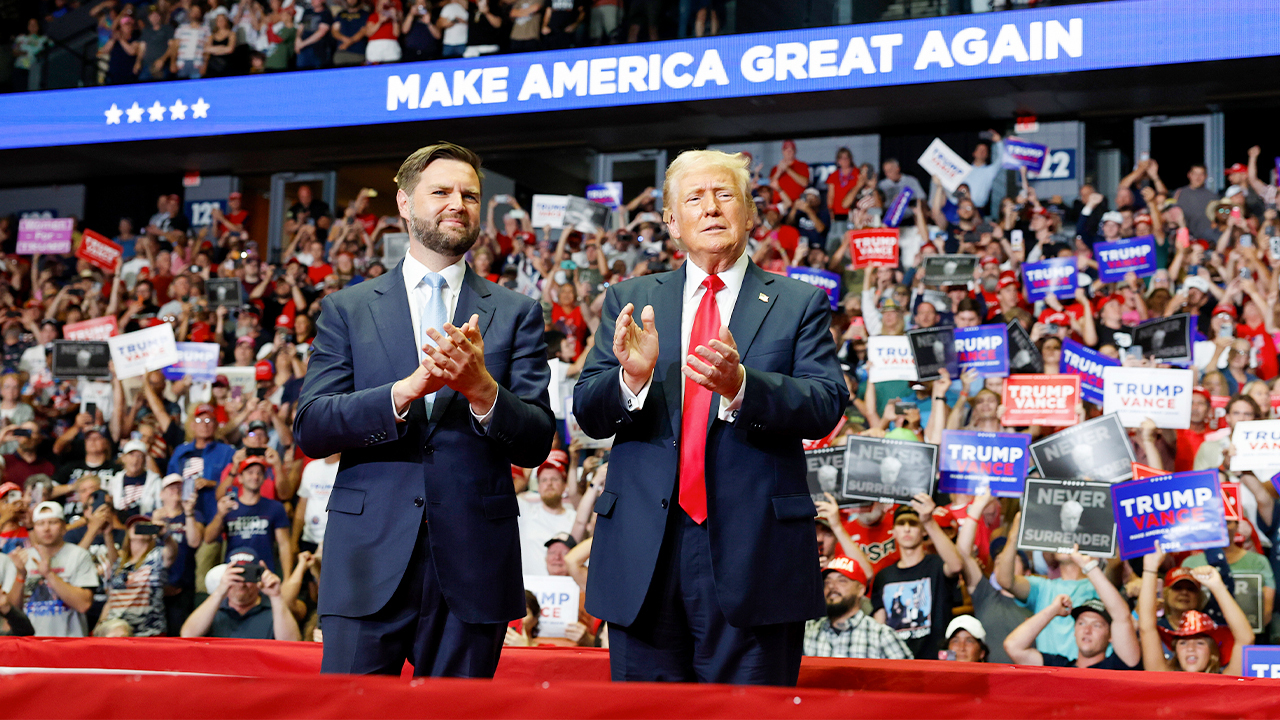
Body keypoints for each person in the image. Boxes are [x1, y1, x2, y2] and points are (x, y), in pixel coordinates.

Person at [573, 149, 846, 686]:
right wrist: (631, 379)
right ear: (672, 221)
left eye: (725, 195)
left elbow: (825, 404)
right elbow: (588, 410)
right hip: (644, 553)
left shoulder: (798, 302)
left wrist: (743, 386)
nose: (711, 207)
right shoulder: (630, 299)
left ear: (748, 214)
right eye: (694, 198)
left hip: (756, 554)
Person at [294, 142, 556, 678]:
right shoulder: (348, 308)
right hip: (366, 560)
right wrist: (406, 389)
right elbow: (312, 427)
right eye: (441, 191)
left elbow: (536, 442)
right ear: (404, 204)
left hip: (474, 566)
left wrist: (483, 390)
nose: (457, 203)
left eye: (470, 195)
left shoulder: (516, 313)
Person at [1003, 546, 1141, 670]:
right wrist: (1052, 610)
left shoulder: (1117, 666)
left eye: (1097, 625)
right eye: (1081, 623)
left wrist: (1088, 566)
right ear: (1074, 631)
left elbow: (1121, 616)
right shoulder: (1059, 667)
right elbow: (1013, 646)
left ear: (1111, 635)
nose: (1087, 630)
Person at [870, 497, 963, 661]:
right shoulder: (884, 576)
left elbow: (956, 566)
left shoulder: (937, 565)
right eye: (901, 523)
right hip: (896, 662)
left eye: (913, 523)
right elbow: (879, 627)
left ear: (923, 530)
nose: (907, 529)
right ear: (893, 530)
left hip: (936, 662)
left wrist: (928, 521)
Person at [1140, 546, 1253, 675]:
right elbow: (1146, 628)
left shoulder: (1224, 683)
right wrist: (1150, 568)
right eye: (1183, 643)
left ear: (1212, 652)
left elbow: (1246, 639)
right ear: (1175, 652)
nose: (1191, 649)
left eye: (1200, 643)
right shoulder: (1163, 679)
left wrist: (1217, 586)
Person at [15, 502, 98, 637]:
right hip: (31, 643)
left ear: (64, 527)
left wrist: (49, 574)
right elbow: (11, 610)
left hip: (69, 642)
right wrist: (19, 575)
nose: (46, 528)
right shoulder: (23, 558)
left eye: (52, 522)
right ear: (34, 529)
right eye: (40, 524)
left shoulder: (79, 555)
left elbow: (83, 604)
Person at [803, 556, 911, 659]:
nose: (831, 586)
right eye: (827, 582)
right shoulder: (808, 632)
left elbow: (910, 677)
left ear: (860, 590)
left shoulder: (881, 636)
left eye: (842, 581)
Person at [180, 549, 300, 640]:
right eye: (236, 575)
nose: (241, 583)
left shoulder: (274, 609)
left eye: (248, 576)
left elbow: (292, 644)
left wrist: (276, 597)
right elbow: (187, 635)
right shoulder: (213, 608)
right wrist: (220, 591)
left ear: (259, 577)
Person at [203, 457, 292, 578]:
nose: (255, 477)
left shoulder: (275, 507)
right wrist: (220, 515)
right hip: (234, 573)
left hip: (264, 574)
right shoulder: (228, 507)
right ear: (240, 478)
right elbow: (208, 538)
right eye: (250, 473)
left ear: (264, 478)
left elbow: (284, 544)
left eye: (259, 473)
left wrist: (287, 578)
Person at [99, 515, 177, 637]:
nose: (138, 528)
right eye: (134, 526)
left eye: (144, 526)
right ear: (128, 533)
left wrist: (165, 535)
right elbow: (111, 598)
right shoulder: (121, 563)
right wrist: (100, 624)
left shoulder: (156, 556)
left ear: (151, 532)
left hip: (147, 631)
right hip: (115, 629)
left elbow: (171, 552)